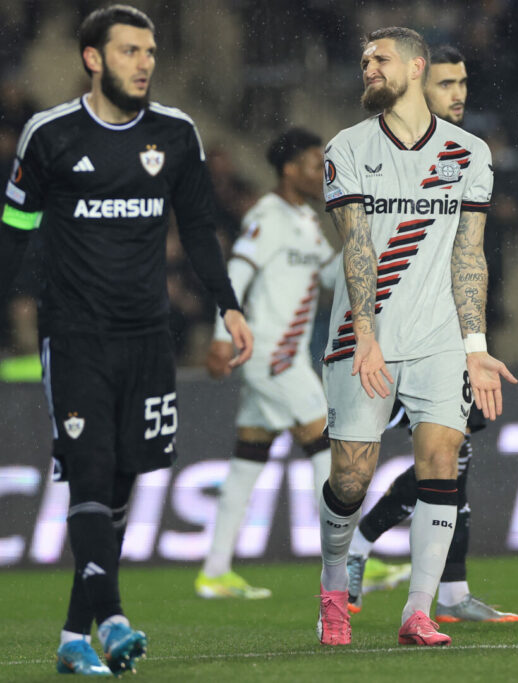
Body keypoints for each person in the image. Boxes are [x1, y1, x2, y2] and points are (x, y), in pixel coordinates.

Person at [0, 4, 253, 675]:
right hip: (76, 333)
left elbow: (199, 229)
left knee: (118, 484)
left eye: (150, 51)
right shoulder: (48, 135)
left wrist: (229, 306)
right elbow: (14, 228)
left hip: (149, 338)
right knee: (88, 468)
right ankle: (112, 617)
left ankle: (72, 637)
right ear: (93, 57)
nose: (144, 63)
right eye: (129, 51)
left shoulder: (175, 134)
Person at [316, 27, 516, 648]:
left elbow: (469, 256)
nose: (367, 67)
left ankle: (418, 611)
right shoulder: (346, 147)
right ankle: (332, 583)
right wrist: (367, 333)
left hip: (440, 339)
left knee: (442, 463)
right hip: (364, 337)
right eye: (364, 60)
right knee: (352, 476)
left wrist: (476, 346)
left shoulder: (468, 152)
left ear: (414, 65)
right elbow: (358, 247)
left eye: (378, 59)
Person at [195, 128, 335, 600]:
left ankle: (215, 570)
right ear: (290, 169)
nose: (322, 172)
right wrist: (220, 337)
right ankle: (351, 558)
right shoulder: (267, 216)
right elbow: (237, 270)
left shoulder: (305, 221)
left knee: (247, 460)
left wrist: (371, 249)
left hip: (284, 357)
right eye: (316, 164)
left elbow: (331, 274)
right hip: (270, 356)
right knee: (328, 447)